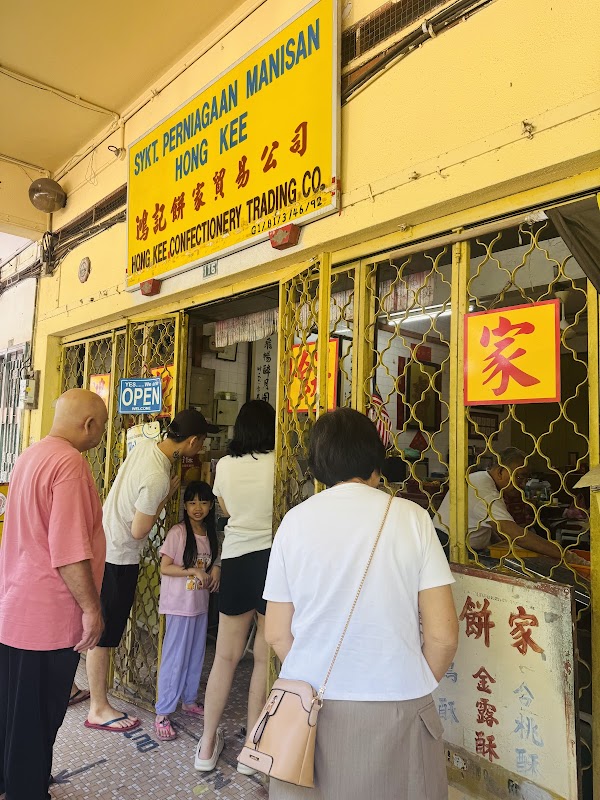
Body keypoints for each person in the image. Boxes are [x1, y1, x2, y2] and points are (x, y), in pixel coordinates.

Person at [263, 408, 458, 800]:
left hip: (307, 708)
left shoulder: (293, 523)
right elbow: (442, 636)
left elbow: (277, 632)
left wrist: (316, 672)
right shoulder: (413, 519)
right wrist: (408, 680)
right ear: (375, 461)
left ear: (317, 465)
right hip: (397, 707)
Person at [0, 389, 108, 799]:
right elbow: (68, 551)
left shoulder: (30, 455)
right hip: (46, 618)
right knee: (36, 718)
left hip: (15, 609)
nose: (99, 435)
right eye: (100, 427)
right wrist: (91, 609)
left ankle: (10, 782)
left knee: (13, 710)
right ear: (89, 425)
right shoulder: (70, 463)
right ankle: (26, 790)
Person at [85, 408, 218, 733]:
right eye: (200, 443)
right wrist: (164, 499)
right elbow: (139, 530)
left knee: (103, 632)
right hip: (119, 557)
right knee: (103, 636)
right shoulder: (159, 476)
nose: (199, 449)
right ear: (191, 441)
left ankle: (98, 700)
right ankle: (98, 707)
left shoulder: (147, 447)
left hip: (104, 545)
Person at [195, 399, 275, 774]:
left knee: (225, 658)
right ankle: (252, 747)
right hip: (274, 562)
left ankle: (207, 743)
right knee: (262, 658)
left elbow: (225, 509)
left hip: (239, 560)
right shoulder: (282, 462)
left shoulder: (224, 465)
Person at [436, 447, 589, 564]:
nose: (522, 484)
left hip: (456, 547)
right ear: (501, 471)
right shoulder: (486, 491)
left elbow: (497, 531)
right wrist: (567, 556)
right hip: (449, 550)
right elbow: (516, 535)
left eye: (526, 478)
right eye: (519, 476)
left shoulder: (479, 478)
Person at [154, 481, 221, 740]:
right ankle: (162, 712)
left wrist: (216, 569)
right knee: (175, 658)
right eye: (192, 502)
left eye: (203, 502)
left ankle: (189, 700)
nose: (197, 508)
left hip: (199, 606)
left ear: (211, 505)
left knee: (195, 655)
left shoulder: (209, 533)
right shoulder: (178, 533)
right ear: (184, 505)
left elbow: (215, 560)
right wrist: (193, 570)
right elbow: (165, 567)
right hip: (179, 606)